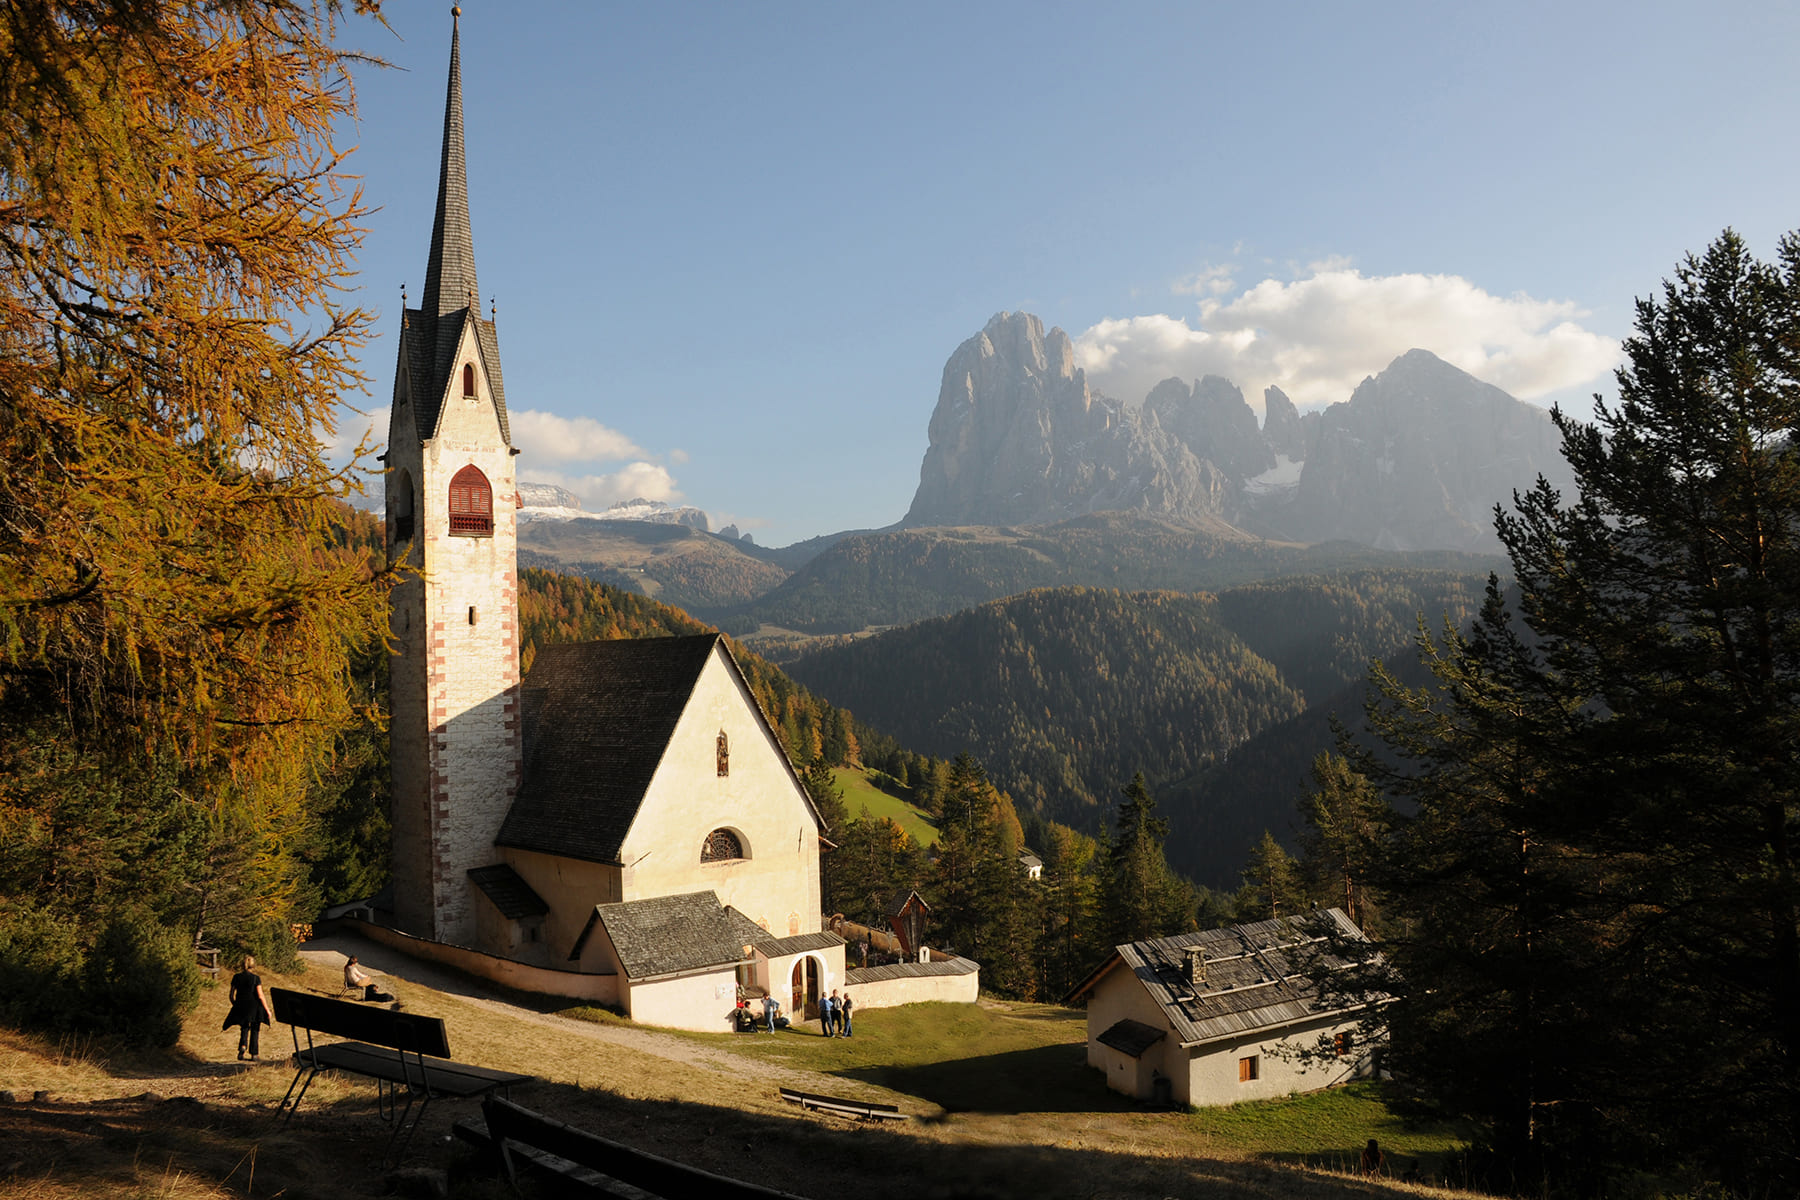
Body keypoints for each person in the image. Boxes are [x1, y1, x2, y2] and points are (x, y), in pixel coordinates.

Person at [222, 955, 274, 1061]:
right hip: (254, 1006)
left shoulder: (236, 977)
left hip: (241, 1004)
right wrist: (267, 1009)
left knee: (244, 1027)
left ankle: (242, 1046)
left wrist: (235, 1004)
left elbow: (231, 995)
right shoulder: (255, 978)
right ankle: (254, 1053)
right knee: (255, 1028)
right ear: (253, 965)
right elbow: (260, 995)